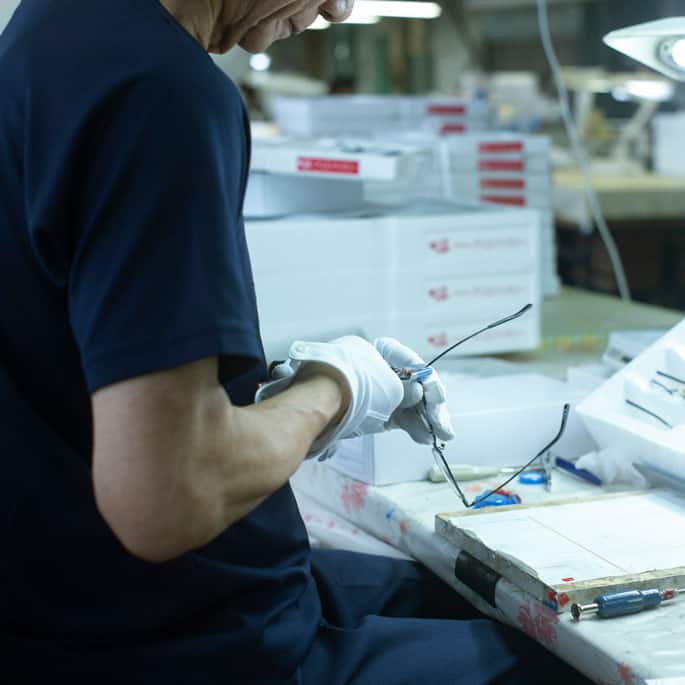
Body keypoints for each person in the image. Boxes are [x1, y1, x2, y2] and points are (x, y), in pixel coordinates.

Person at [0, 1, 591, 683]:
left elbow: (68, 366)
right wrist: (333, 392)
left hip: (93, 603)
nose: (338, 9)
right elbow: (166, 498)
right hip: (181, 644)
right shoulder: (158, 91)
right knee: (574, 664)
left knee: (479, 598)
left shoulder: (53, 29)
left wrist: (267, 404)